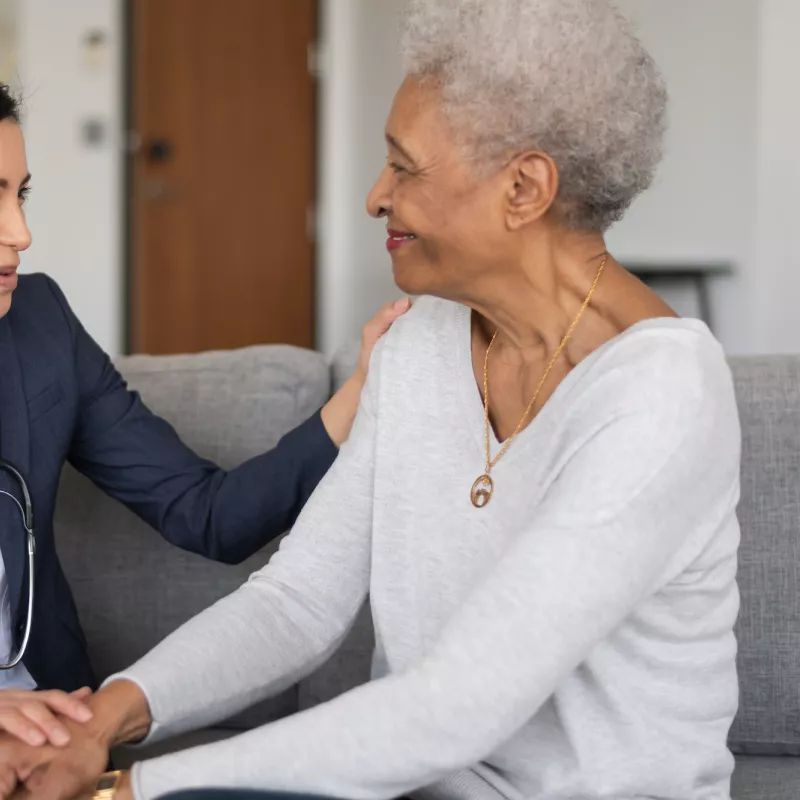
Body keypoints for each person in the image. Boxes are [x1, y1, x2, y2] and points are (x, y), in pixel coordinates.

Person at [0, 0, 743, 798]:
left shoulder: (662, 392)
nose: (373, 196)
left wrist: (132, 792)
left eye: (404, 166)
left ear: (524, 187)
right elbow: (295, 604)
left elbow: (458, 706)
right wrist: (107, 719)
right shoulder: (424, 343)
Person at [0, 83, 408, 751]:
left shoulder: (41, 326)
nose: (21, 232)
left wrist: (358, 392)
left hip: (55, 731)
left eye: (21, 194)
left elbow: (208, 514)